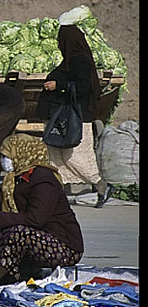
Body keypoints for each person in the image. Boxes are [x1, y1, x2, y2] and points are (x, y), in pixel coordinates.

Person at [0, 134, 84, 285]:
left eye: (8, 156)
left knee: (18, 233)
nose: (4, 160)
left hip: (62, 246)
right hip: (37, 235)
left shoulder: (44, 179)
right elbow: (12, 209)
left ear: (23, 153)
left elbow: (36, 219)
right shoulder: (16, 178)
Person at [35, 19, 114, 208]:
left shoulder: (79, 60)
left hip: (76, 118)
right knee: (56, 156)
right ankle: (56, 196)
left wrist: (58, 85)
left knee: (76, 156)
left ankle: (100, 184)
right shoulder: (70, 60)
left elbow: (83, 86)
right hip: (63, 117)